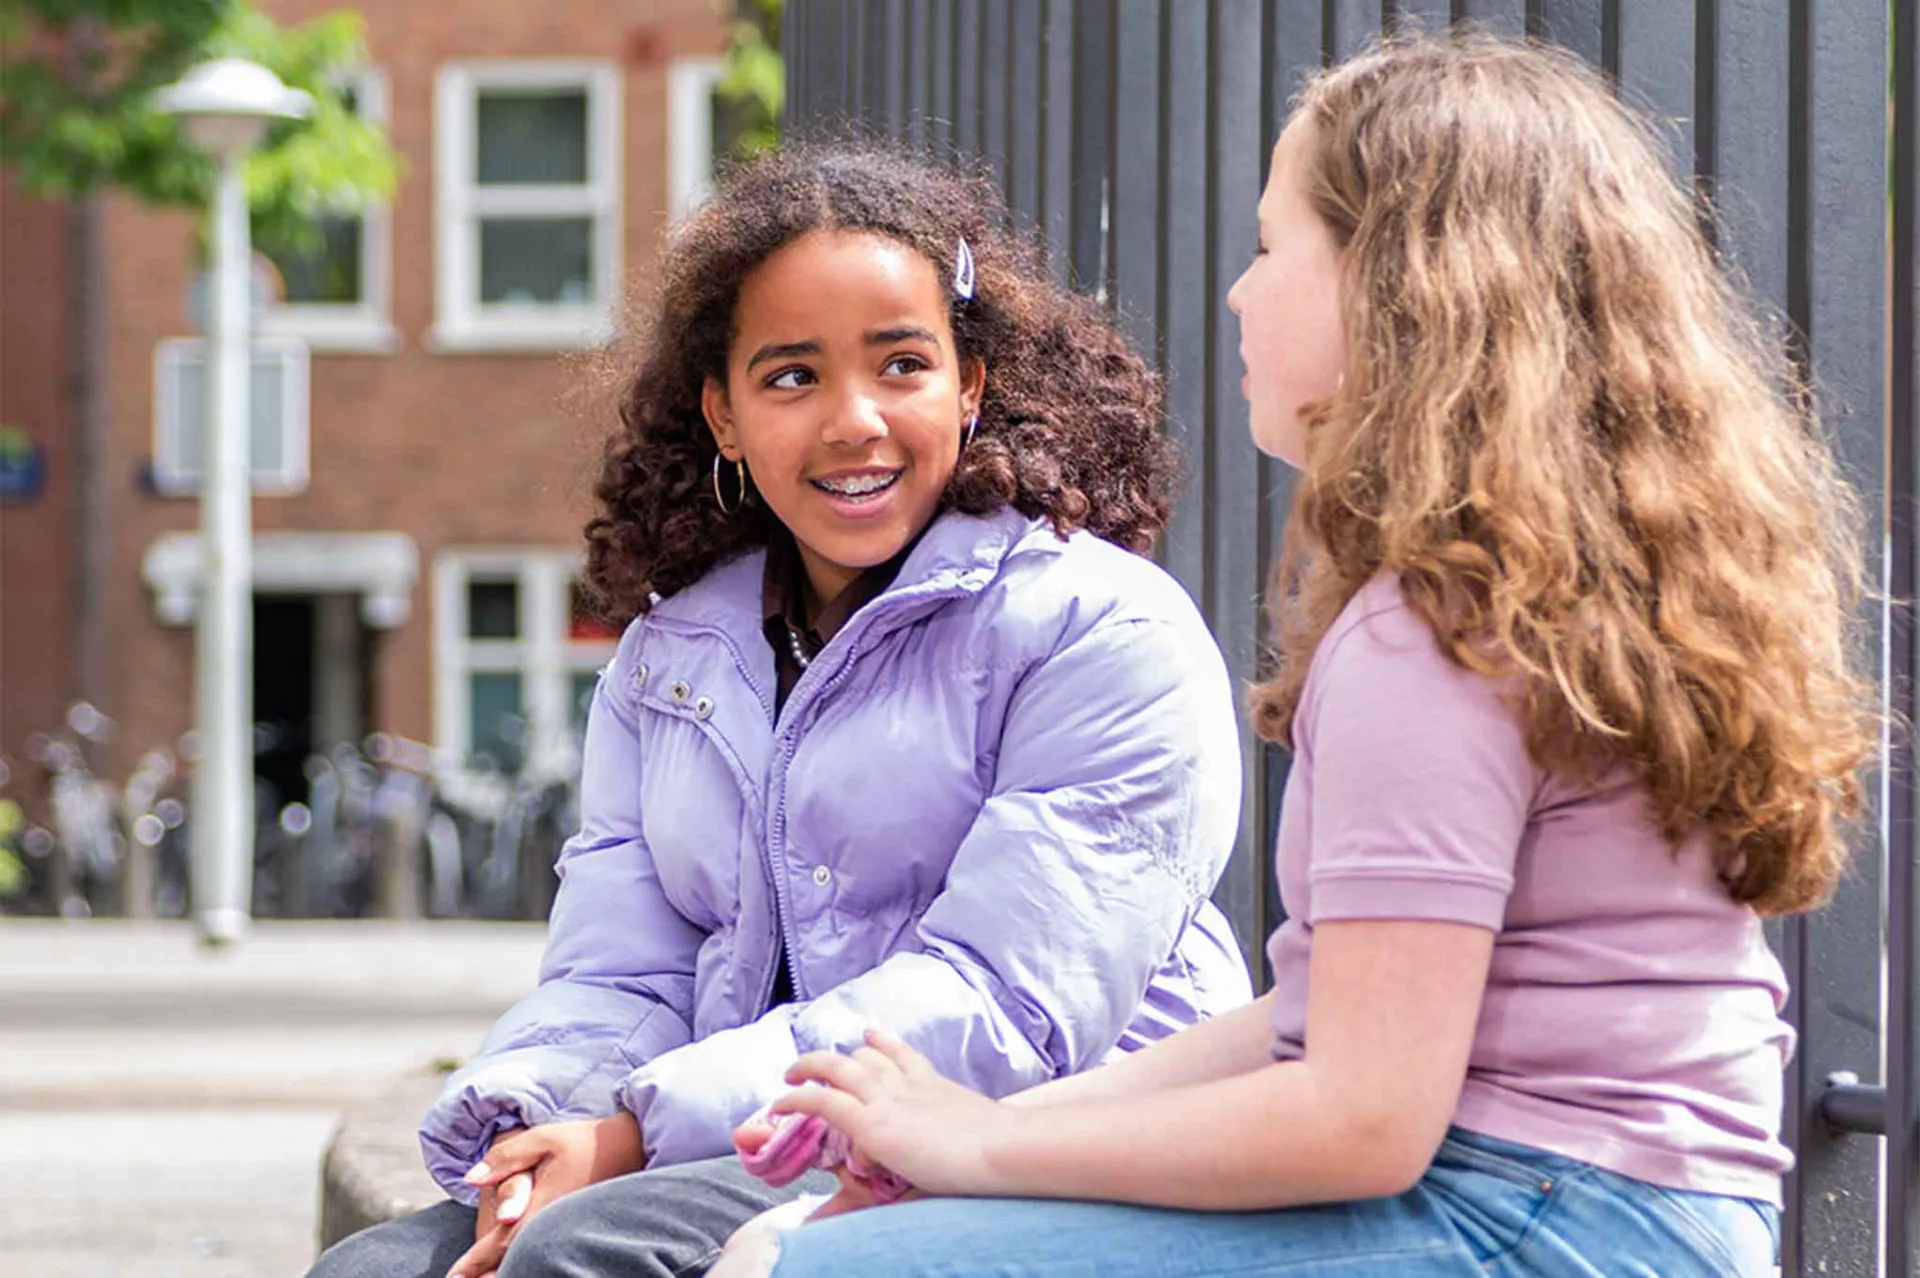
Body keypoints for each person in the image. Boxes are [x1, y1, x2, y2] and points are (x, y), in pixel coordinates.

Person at [731, 35, 1875, 1278]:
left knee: (791, 1266)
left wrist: (980, 1155)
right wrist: (970, 1131)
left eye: (1275, 249)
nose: (1238, 292)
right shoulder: (1552, 597)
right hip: (1644, 1218)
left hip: (1530, 1220)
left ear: (1403, 289)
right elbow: (1318, 1021)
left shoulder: (1429, 633)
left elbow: (1362, 1120)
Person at [304, 142, 1252, 1278]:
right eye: (793, 377)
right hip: (740, 1134)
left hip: (1035, 1138)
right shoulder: (672, 661)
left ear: (972, 386)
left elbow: (1003, 1005)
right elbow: (622, 973)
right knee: (377, 1270)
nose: (855, 421)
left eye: (902, 364)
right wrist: (539, 1122)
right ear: (724, 415)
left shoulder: (1100, 628)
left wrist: (634, 1135)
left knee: (586, 1255)